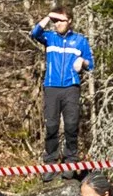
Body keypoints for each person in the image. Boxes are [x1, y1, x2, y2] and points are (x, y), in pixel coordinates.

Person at [29, 10, 92, 161]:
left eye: (61, 20)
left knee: (71, 125)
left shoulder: (80, 40)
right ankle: (50, 160)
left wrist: (82, 62)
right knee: (51, 126)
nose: (57, 24)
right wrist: (48, 17)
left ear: (69, 20)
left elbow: (91, 64)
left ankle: (71, 159)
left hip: (71, 87)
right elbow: (34, 33)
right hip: (52, 87)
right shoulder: (49, 37)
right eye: (55, 21)